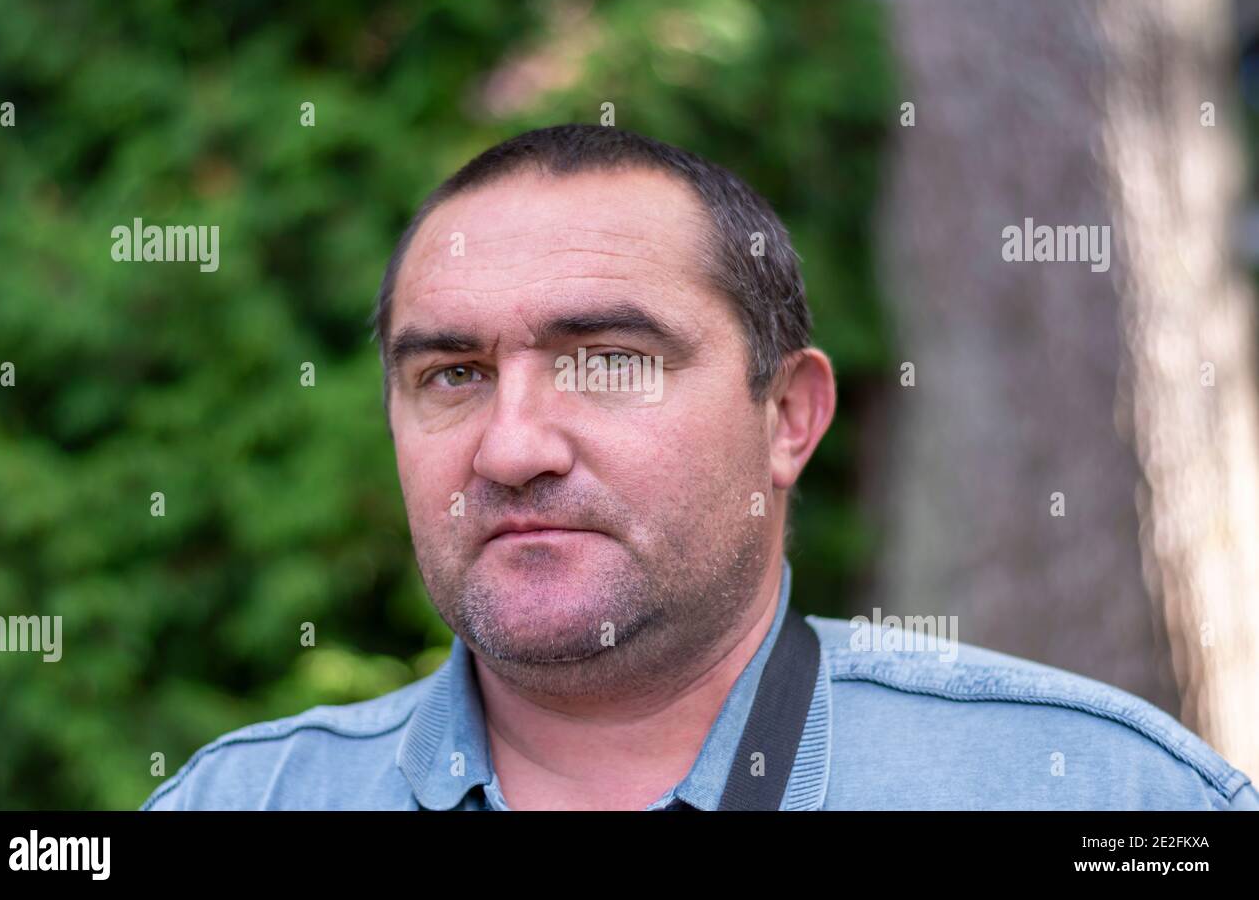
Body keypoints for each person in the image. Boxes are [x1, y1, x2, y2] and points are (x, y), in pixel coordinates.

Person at [142, 124, 1258, 811]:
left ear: (788, 416)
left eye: (610, 360)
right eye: (451, 373)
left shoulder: (1091, 797)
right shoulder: (241, 802)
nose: (514, 446)